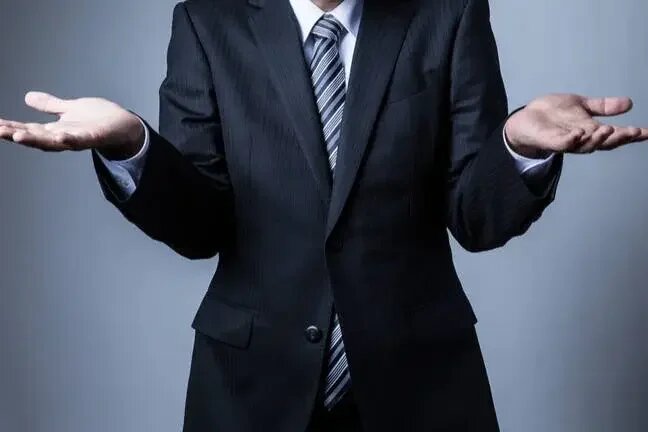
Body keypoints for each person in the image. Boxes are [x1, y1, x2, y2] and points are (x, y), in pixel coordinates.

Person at [1, 0, 646, 431]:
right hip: (253, 388)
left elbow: (478, 218)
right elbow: (199, 225)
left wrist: (518, 147)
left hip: (421, 385)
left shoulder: (448, 13)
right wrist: (132, 143)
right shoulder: (207, 21)